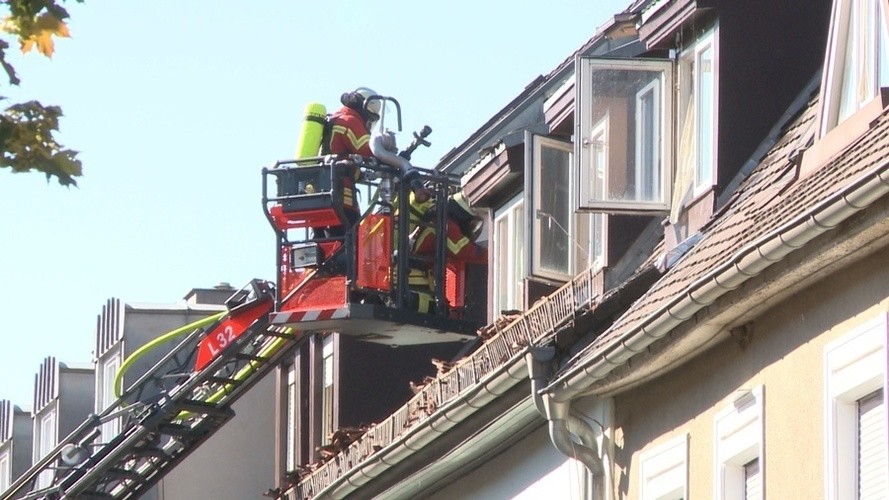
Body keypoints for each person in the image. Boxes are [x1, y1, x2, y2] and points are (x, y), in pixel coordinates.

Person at [317, 87, 381, 238]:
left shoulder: (334, 118)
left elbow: (343, 157)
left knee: (324, 242)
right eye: (370, 118)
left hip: (320, 195)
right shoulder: (350, 121)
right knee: (350, 240)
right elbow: (368, 149)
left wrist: (361, 174)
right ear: (364, 108)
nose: (369, 123)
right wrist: (389, 154)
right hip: (341, 198)